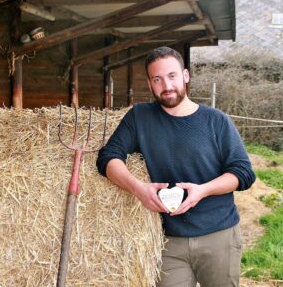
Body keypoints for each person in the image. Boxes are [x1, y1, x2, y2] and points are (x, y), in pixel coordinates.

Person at [96, 46, 255, 287]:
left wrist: (203, 190)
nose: (166, 86)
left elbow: (243, 173)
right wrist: (138, 188)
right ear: (150, 84)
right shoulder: (139, 117)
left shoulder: (216, 121)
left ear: (186, 76)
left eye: (172, 76)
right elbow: (108, 158)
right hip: (168, 242)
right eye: (157, 79)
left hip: (218, 235)